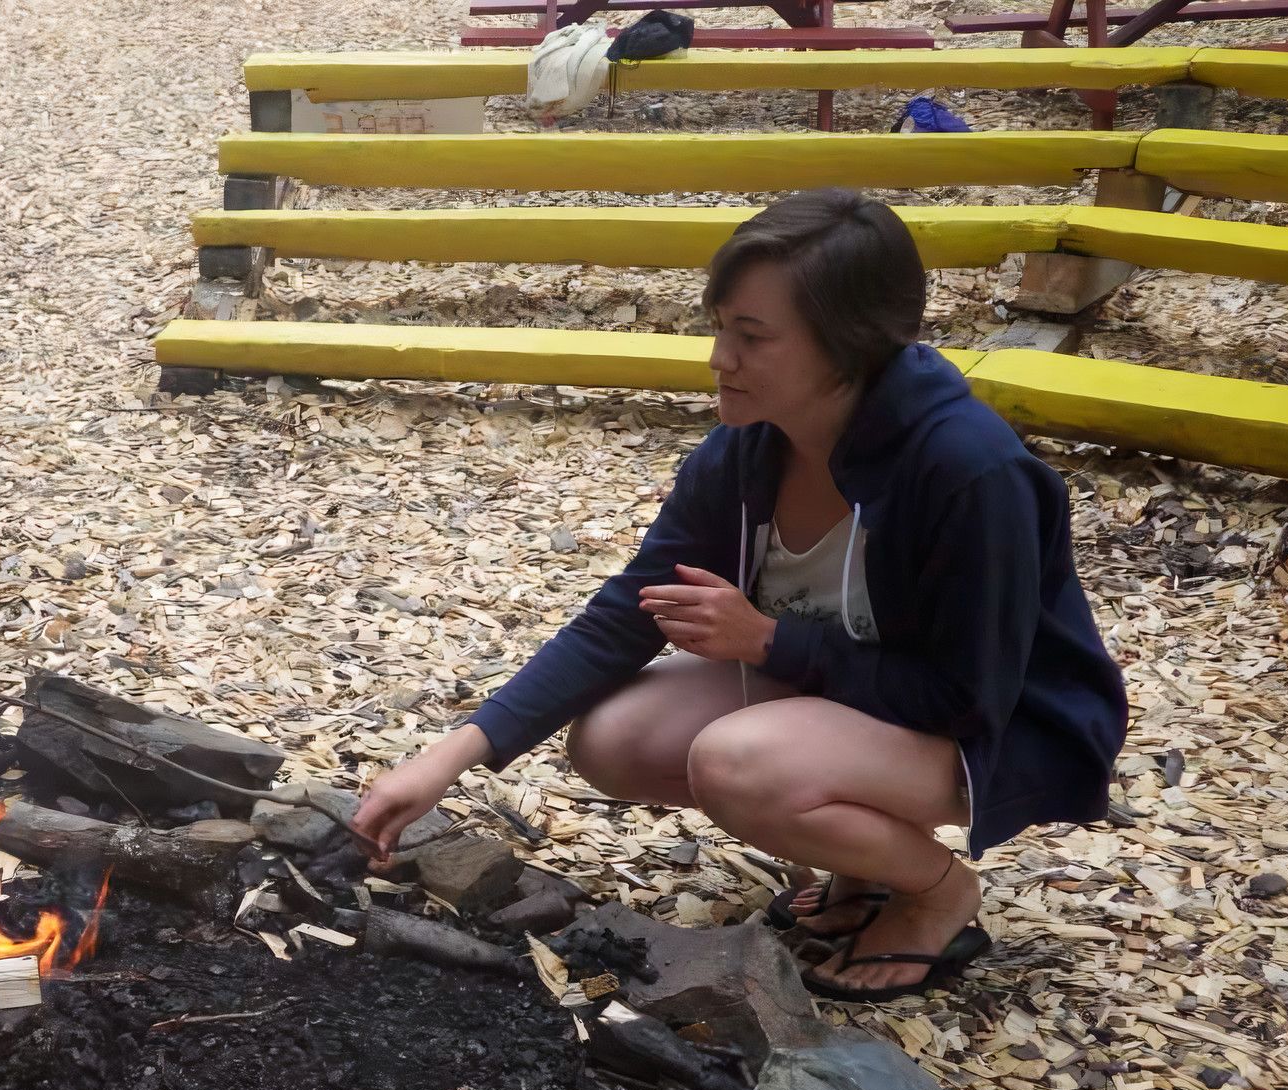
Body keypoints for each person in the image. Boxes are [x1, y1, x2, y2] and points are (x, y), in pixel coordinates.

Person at [353, 189, 1130, 1003]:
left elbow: (966, 697)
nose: (720, 358)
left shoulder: (969, 472)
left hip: (1003, 728)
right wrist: (447, 759)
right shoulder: (748, 449)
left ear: (852, 346)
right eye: (720, 325)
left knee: (737, 765)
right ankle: (861, 868)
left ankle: (937, 892)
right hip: (863, 700)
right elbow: (627, 612)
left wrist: (772, 644)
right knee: (615, 739)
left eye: (752, 337)